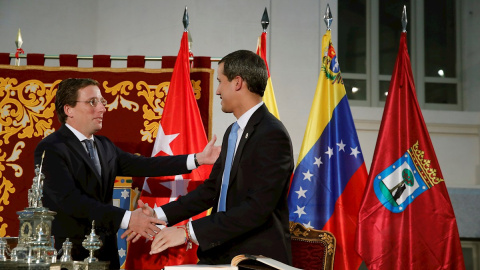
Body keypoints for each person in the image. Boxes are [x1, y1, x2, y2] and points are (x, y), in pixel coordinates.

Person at [123, 50, 294, 265]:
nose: (218, 90)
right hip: (221, 251)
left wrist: (187, 232)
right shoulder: (233, 131)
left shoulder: (272, 134)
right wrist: (158, 215)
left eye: (221, 81)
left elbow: (257, 208)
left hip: (255, 258)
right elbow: (211, 190)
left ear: (238, 83)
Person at [34, 78, 219, 269]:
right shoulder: (51, 148)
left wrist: (197, 159)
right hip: (70, 255)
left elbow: (146, 165)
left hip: (106, 253)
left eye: (102, 102)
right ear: (68, 110)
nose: (102, 109)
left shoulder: (104, 145)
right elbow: (71, 201)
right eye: (92, 102)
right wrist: (129, 219)